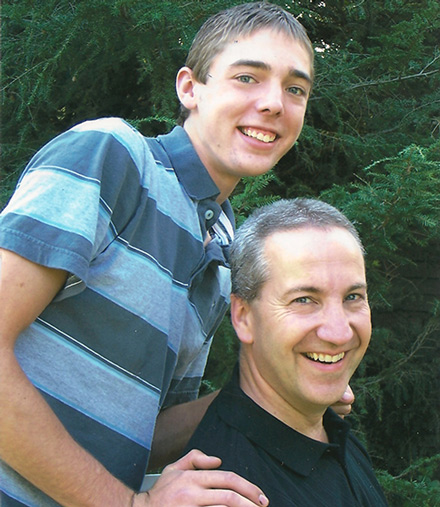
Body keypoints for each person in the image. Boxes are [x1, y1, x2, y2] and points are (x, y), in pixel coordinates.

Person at [0, 3, 351, 506]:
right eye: (248, 77)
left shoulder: (224, 244)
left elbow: (146, 433)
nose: (274, 102)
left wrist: (281, 395)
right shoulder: (114, 157)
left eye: (295, 88)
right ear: (190, 88)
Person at [186, 198, 388, 506]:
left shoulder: (329, 433)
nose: (339, 332)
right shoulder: (230, 491)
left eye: (352, 296)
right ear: (243, 316)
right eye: (304, 300)